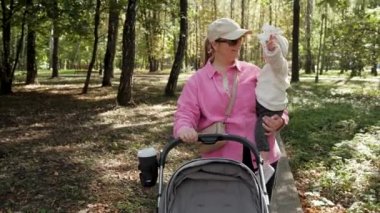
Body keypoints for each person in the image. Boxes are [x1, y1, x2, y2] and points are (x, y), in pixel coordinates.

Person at [173, 18, 288, 199]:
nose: (238, 45)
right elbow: (185, 112)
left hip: (262, 157)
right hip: (221, 162)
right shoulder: (197, 81)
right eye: (232, 41)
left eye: (240, 39)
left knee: (259, 207)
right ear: (214, 44)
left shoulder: (254, 72)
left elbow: (276, 98)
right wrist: (184, 128)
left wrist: (280, 121)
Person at [255, 24, 290, 183]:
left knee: (259, 133)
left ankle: (264, 165)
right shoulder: (267, 68)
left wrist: (273, 49)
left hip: (270, 106)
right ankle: (263, 162)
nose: (266, 53)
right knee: (260, 131)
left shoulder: (279, 67)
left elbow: (277, 59)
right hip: (265, 104)